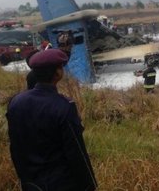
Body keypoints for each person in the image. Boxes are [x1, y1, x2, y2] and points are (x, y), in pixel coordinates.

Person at [6, 49, 97, 190]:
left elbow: (14, 146)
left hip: (31, 183)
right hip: (61, 183)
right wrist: (89, 186)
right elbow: (76, 153)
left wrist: (24, 179)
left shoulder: (16, 102)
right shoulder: (63, 107)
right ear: (58, 73)